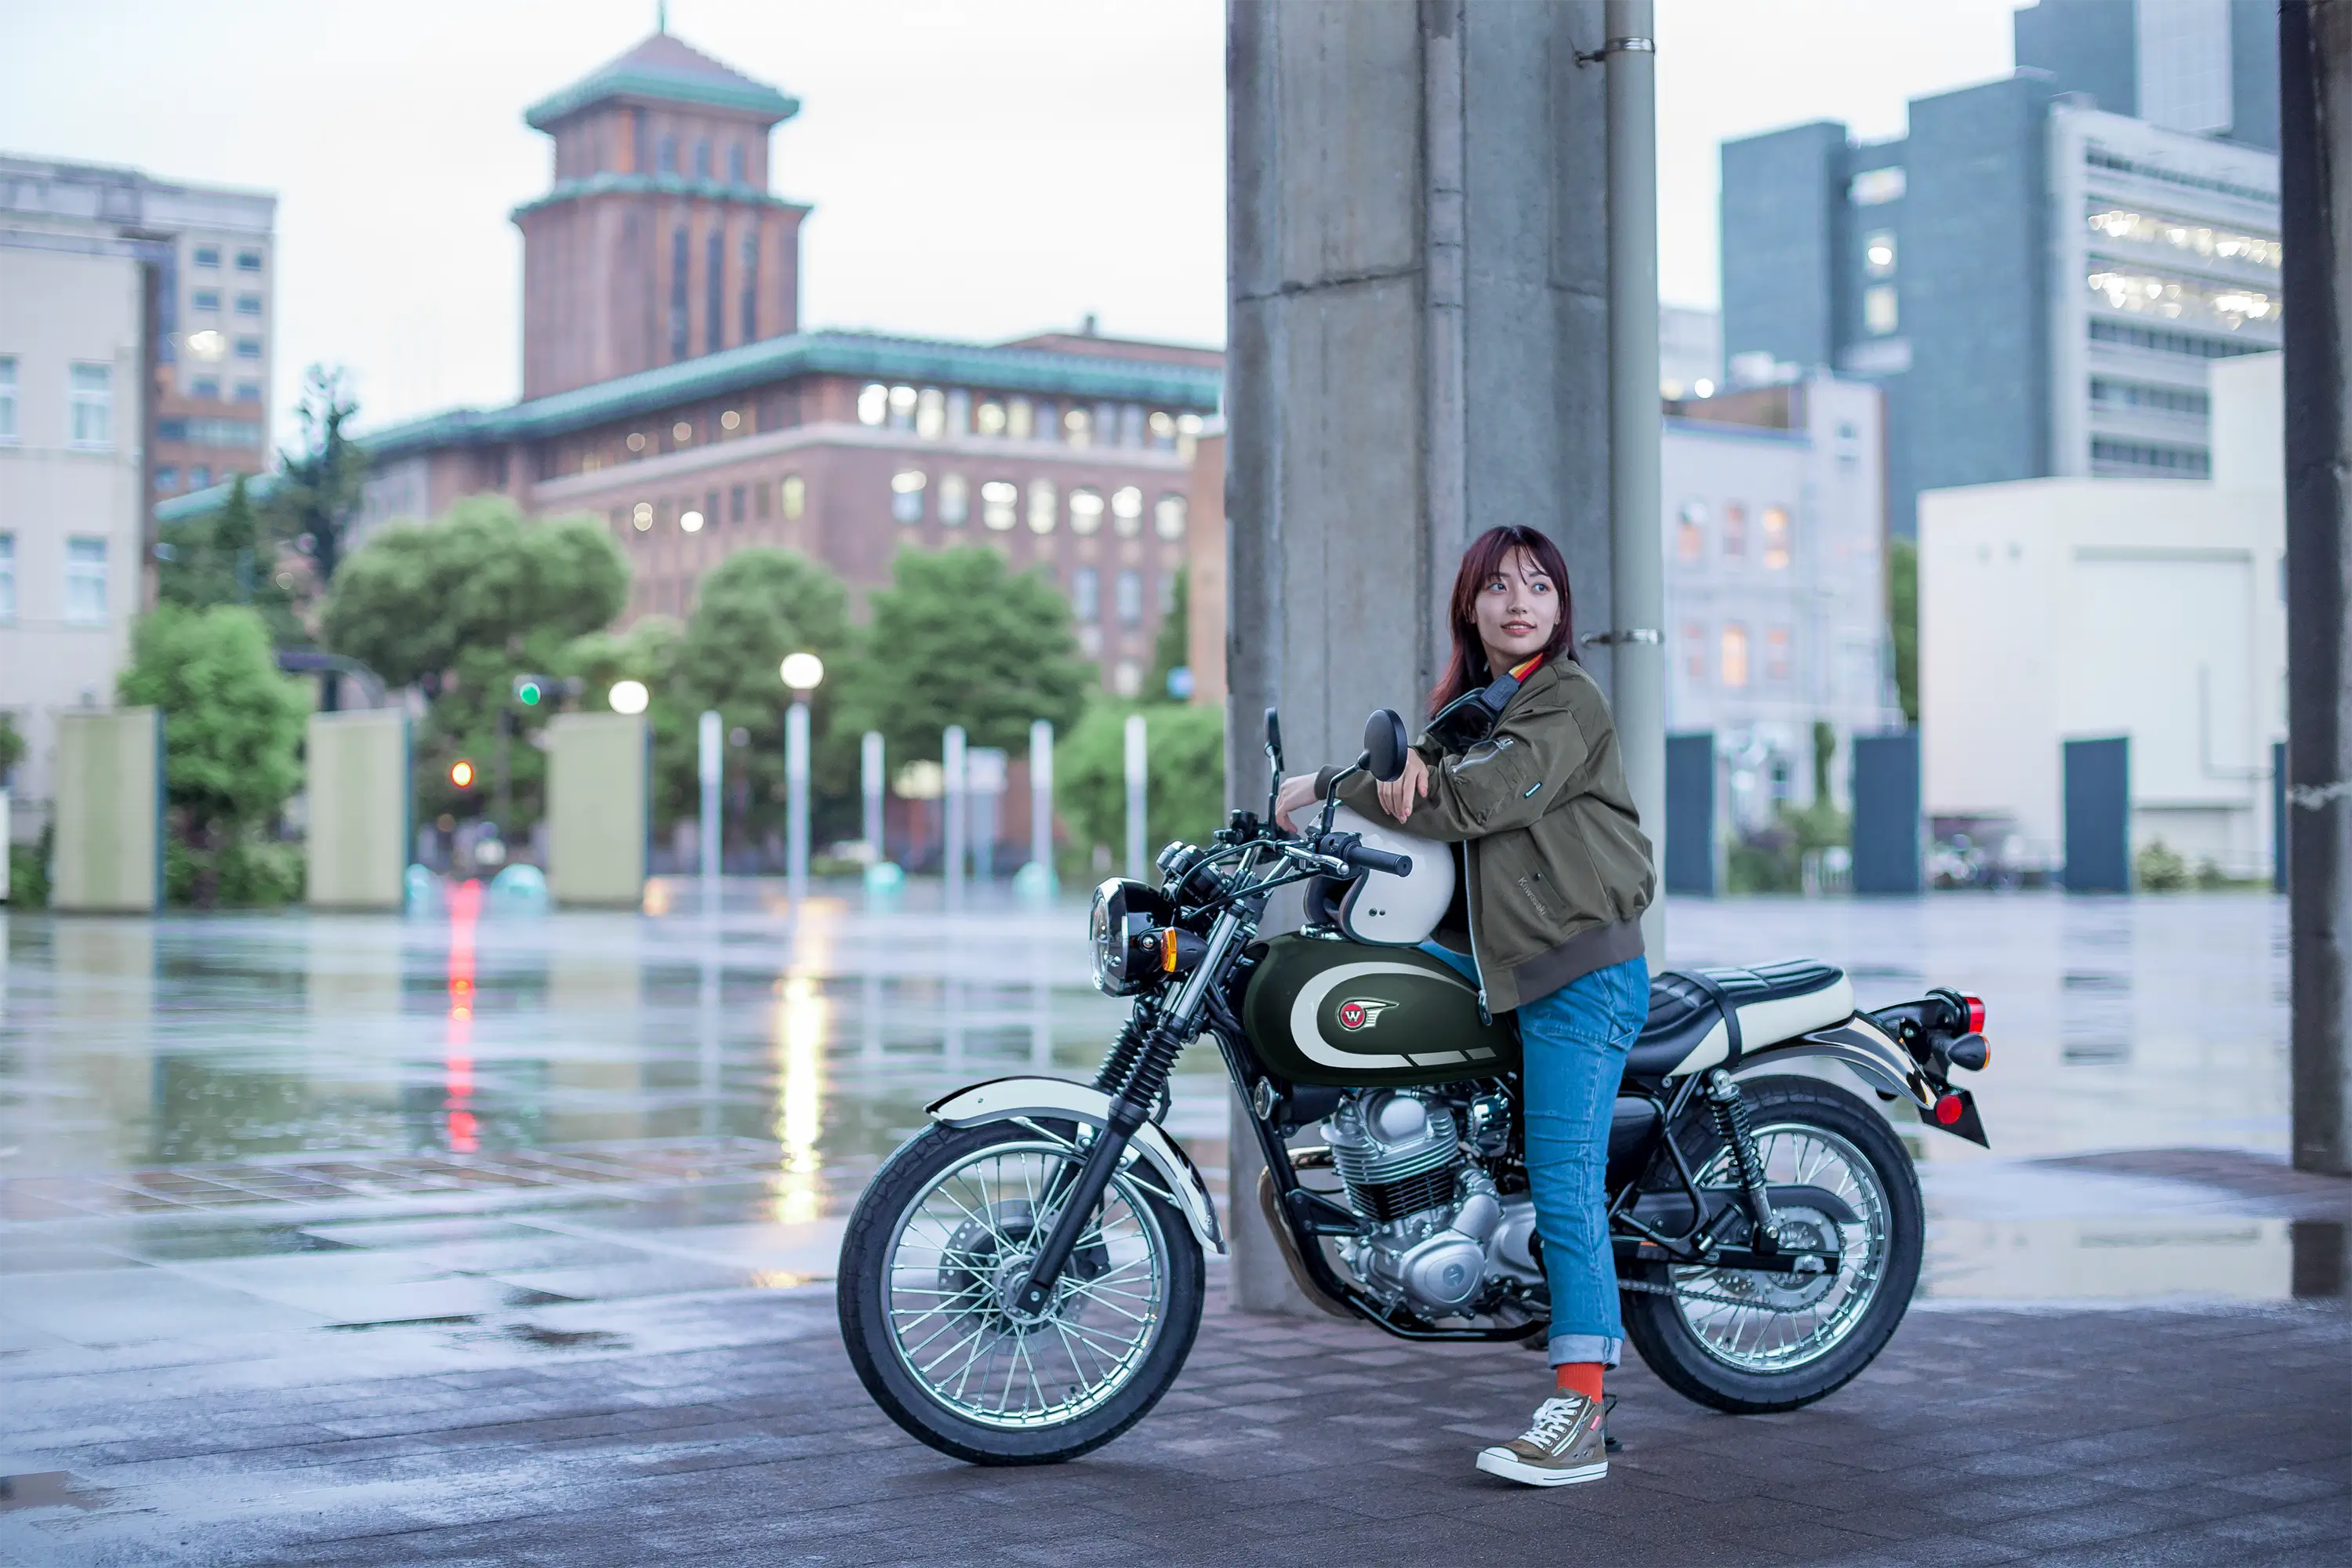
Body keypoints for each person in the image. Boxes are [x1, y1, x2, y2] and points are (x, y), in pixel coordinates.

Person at [1276, 524, 1655, 1489]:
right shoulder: (1473, 706)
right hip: (1511, 971)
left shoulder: (1565, 700)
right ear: (1470, 607)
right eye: (1498, 587)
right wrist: (1298, 817)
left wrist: (1321, 784)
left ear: (1561, 608)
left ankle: (1581, 1413)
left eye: (1537, 585)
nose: (1518, 601)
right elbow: (1411, 782)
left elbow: (1467, 800)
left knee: (1565, 1179)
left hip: (1578, 972)